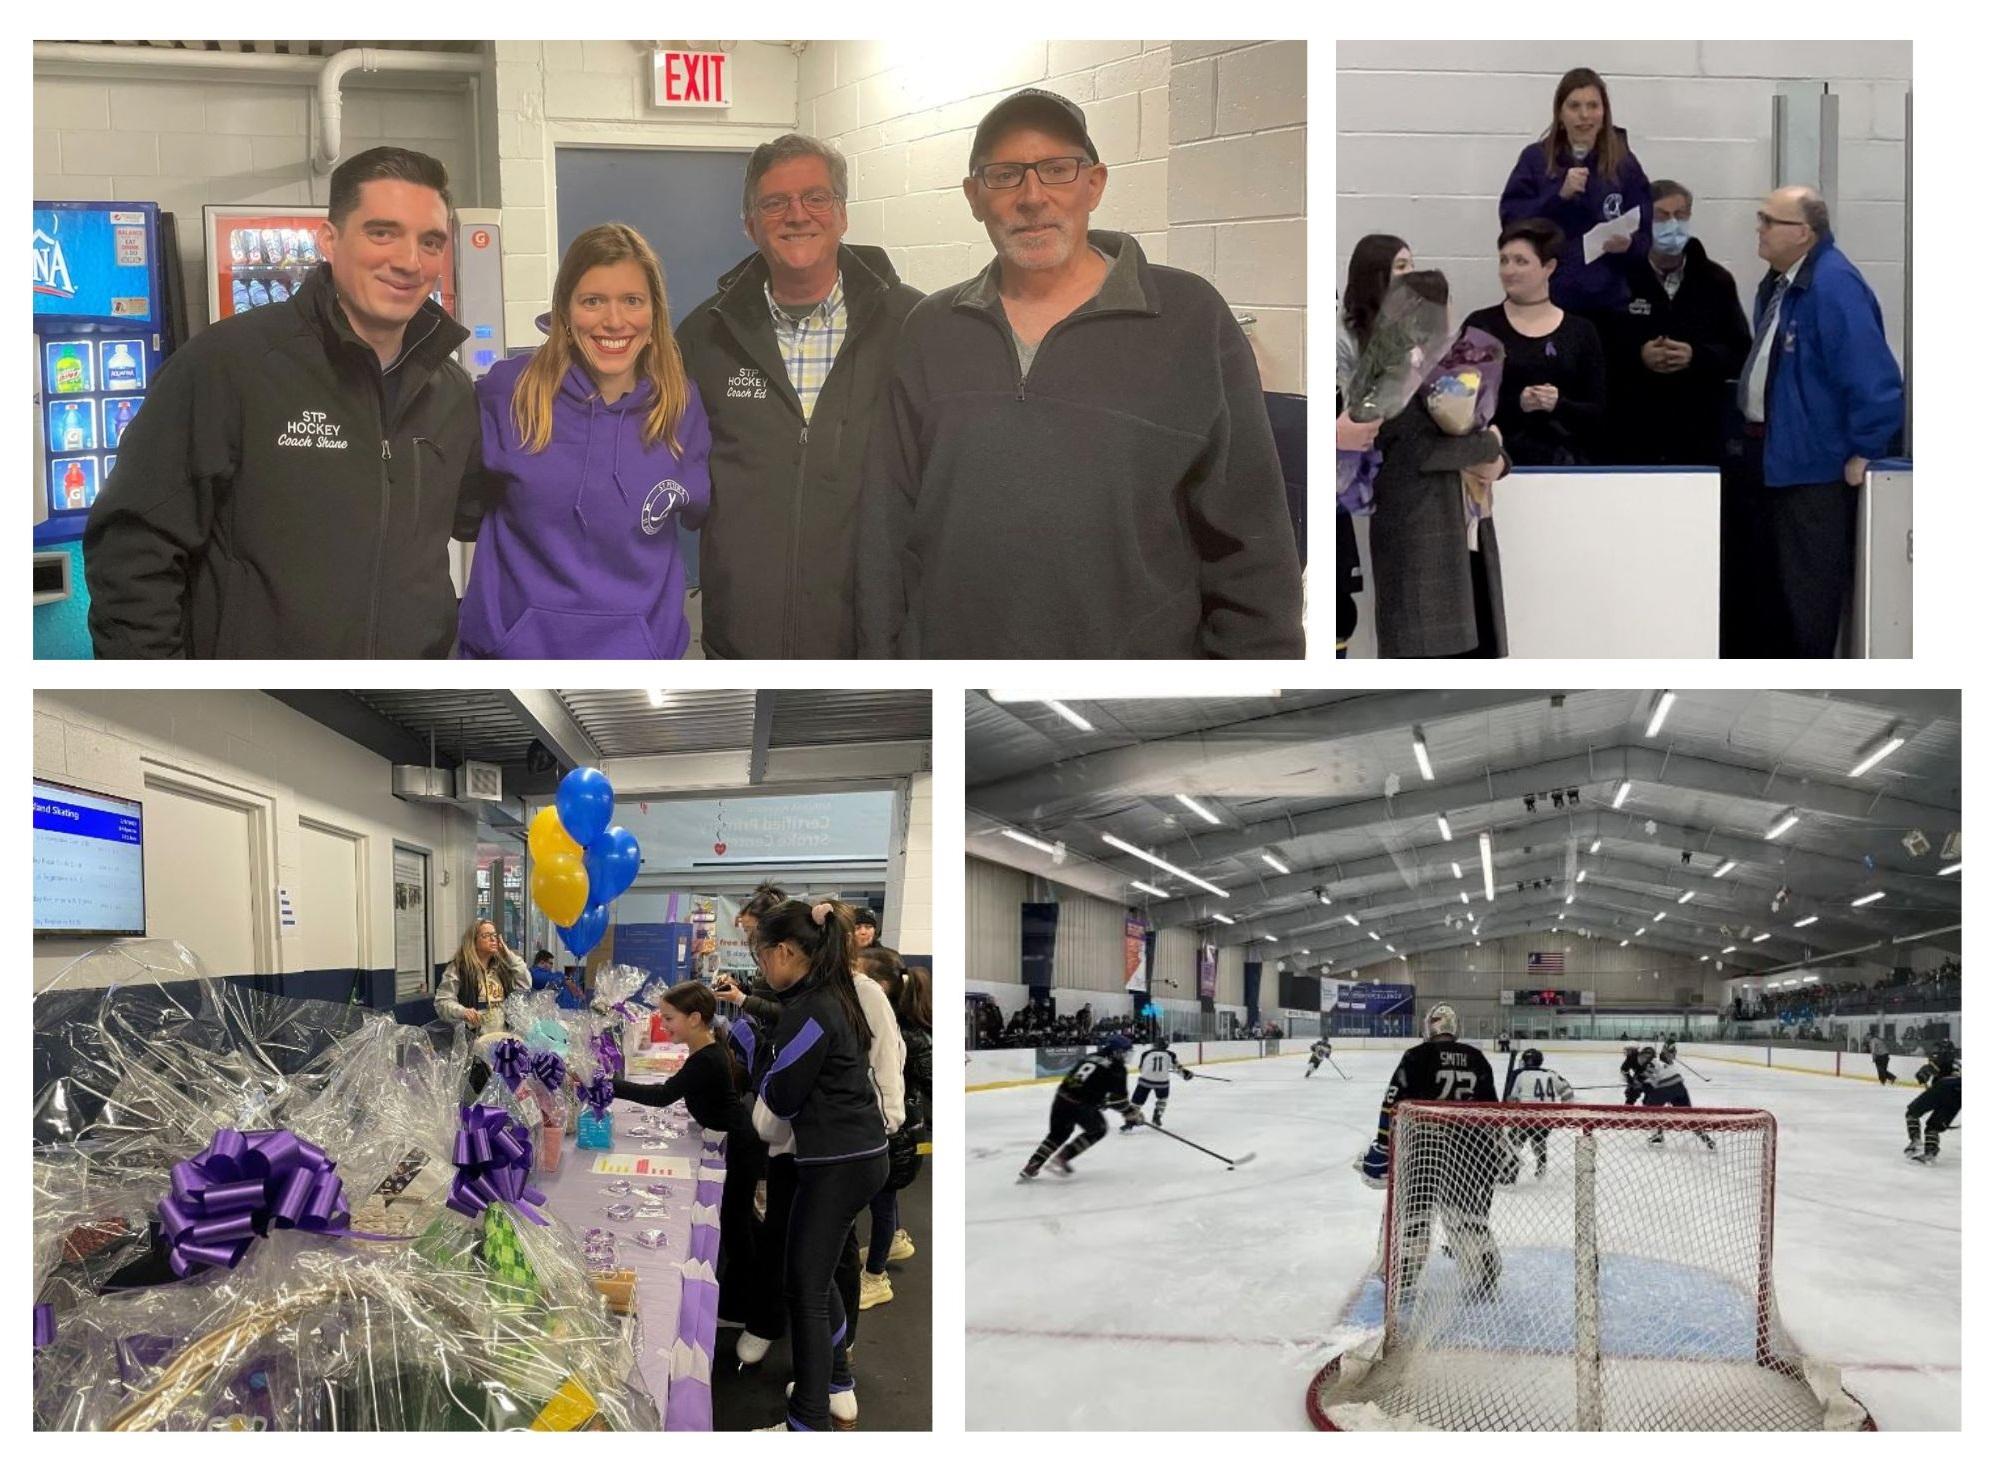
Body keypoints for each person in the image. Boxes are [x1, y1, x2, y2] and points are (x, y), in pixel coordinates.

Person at [856, 87, 1304, 659]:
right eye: (1005, 175)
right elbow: (885, 526)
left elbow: (1253, 539)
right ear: (974, 196)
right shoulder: (930, 330)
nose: (1033, 196)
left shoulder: (1190, 319)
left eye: (1057, 170)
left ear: (1094, 183)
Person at [84, 146, 476, 658]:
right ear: (330, 241)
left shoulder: (452, 394)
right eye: (382, 233)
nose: (408, 261)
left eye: (430, 242)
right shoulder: (228, 365)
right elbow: (132, 554)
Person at [672, 134, 923, 659]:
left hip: (872, 637)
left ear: (843, 213)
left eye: (815, 197)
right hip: (742, 632)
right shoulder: (702, 337)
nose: (796, 214)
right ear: (750, 225)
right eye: (774, 203)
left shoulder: (914, 327)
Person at [454, 224, 709, 657]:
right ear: (566, 314)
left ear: (654, 316)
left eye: (632, 301)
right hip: (514, 657)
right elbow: (463, 510)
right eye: (593, 301)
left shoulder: (680, 406)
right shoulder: (508, 392)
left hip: (639, 659)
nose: (614, 320)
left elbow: (701, 513)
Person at [1721, 186, 1904, 658]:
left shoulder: (1833, 286)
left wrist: (1867, 448)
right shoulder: (1781, 283)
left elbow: (1872, 376)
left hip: (1814, 468)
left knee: (1807, 595)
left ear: (1802, 233)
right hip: (1771, 457)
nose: (1758, 229)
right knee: (1770, 593)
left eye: (1768, 220)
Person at [746, 900, 892, 1431]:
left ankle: (808, 1422)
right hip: (852, 1157)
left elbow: (779, 1101)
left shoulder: (811, 1009)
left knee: (803, 1289)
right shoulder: (830, 997)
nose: (760, 969)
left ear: (785, 951)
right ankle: (834, 1384)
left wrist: (759, 1063)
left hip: (840, 1164)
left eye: (761, 956)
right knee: (820, 1276)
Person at [1367, 271, 1513, 658]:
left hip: (1468, 527)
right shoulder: (1389, 374)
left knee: (1479, 651)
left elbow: (1482, 432)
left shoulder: (1455, 366)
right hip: (1421, 538)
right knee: (1432, 658)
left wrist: (1498, 458)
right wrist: (1490, 445)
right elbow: (1422, 450)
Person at [1356, 1004, 1505, 1300]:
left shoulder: (1416, 1055)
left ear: (1429, 1027)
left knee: (1416, 1211)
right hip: (1469, 1147)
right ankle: (1485, 1263)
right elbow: (1492, 1109)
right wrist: (1494, 1148)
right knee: (1466, 1213)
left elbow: (1393, 1103)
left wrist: (1384, 1144)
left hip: (1424, 1145)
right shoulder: (1476, 1057)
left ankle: (1407, 1270)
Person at [1602, 180, 1750, 466]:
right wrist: (1638, 355)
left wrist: (1696, 356)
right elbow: (1593, 349)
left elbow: (1740, 352)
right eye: (1661, 215)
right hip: (1628, 434)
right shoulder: (1615, 278)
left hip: (1698, 436)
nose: (1672, 224)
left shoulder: (1716, 282)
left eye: (1681, 215)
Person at [1499, 67, 1653, 333]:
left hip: (1607, 305)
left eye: (1593, 106)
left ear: (1604, 113)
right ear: (1560, 114)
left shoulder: (1624, 164)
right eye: (1574, 106)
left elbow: (1646, 229)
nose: (1584, 115)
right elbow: (1511, 222)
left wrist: (1629, 245)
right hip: (1547, 301)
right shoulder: (1536, 160)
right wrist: (1558, 196)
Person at [1464, 220, 1607, 466]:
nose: (1509, 270)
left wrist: (1558, 404)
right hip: (1493, 462)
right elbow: (1460, 403)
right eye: (1504, 260)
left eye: (1521, 261)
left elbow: (1598, 410)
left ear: (1549, 266)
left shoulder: (1580, 331)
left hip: (1568, 465)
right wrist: (1516, 403)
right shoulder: (1481, 325)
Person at [856, 948, 930, 1309]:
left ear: (880, 986)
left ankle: (875, 1277)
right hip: (897, 1128)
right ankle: (895, 1240)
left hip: (898, 1132)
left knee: (882, 1202)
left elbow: (928, 1083)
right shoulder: (890, 1023)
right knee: (885, 1199)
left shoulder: (905, 1034)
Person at [1019, 1034, 1143, 1179]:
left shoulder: (1090, 1056)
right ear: (1116, 1051)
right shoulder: (1117, 1068)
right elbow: (1119, 1101)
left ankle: (1032, 1165)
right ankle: (1064, 1156)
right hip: (1081, 1105)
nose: (1126, 1056)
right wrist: (1130, 1113)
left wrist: (1100, 1100)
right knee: (1099, 1129)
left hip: (1062, 1097)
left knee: (1057, 1134)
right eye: (1125, 1052)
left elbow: (1083, 1082)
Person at [433, 920, 528, 1046]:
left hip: (502, 1040)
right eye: (486, 936)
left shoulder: (502, 969)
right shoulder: (459, 968)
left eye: (494, 935)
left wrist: (508, 955)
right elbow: (442, 1002)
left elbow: (525, 983)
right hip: (473, 1042)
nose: (493, 939)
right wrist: (462, 1011)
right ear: (473, 941)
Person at [1501, 1047, 1575, 1180]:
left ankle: (1510, 1174)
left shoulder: (1519, 1074)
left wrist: (1512, 1108)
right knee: (1538, 1139)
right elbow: (1568, 1093)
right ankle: (1541, 1166)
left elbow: (1511, 1099)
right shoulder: (1551, 1073)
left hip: (1526, 1117)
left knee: (1514, 1143)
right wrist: (1563, 1112)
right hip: (1546, 1118)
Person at [1637, 1041, 1714, 1148]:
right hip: (1680, 1087)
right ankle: (1706, 1139)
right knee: (1688, 1115)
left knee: (1650, 1109)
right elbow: (1667, 1059)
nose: (1640, 1059)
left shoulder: (1651, 1063)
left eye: (1643, 1056)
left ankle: (1657, 1137)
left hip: (1665, 1088)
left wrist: (1636, 1082)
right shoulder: (1664, 1061)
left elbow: (1645, 1081)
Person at [1904, 1041, 1960, 1164]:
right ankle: (1930, 1153)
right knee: (1933, 1126)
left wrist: (1924, 1073)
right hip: (1958, 1098)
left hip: (1944, 1086)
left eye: (1938, 1049)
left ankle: (1916, 1141)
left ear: (1944, 1051)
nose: (1935, 1052)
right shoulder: (1958, 1064)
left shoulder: (1943, 1058)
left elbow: (1932, 1066)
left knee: (1912, 1113)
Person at [1123, 1037, 1191, 1130]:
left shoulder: (1145, 1053)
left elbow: (1141, 1069)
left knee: (1136, 1102)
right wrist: (1186, 1074)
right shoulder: (1170, 1054)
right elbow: (1178, 1068)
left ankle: (1130, 1122)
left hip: (1145, 1081)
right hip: (1162, 1083)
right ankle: (1157, 1116)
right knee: (1162, 1099)